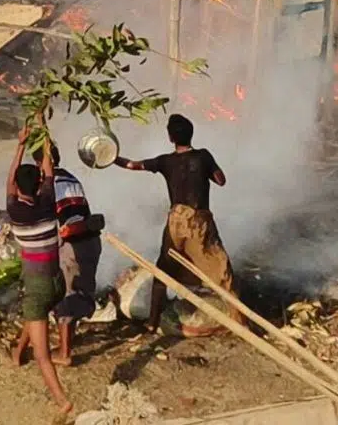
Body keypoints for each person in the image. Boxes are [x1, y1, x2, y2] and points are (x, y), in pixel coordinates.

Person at [114, 113, 243, 332]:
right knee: (221, 270)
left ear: (171, 138)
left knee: (163, 269)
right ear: (191, 135)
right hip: (199, 222)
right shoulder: (203, 156)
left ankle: (152, 322)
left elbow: (133, 165)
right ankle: (239, 322)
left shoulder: (165, 161)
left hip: (176, 222)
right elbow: (221, 180)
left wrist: (111, 158)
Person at [5, 125, 70, 416]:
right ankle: (17, 353)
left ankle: (62, 401)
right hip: (58, 281)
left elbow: (10, 180)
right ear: (40, 184)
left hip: (37, 283)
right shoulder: (47, 203)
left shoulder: (15, 210)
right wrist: (44, 133)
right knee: (36, 316)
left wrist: (20, 145)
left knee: (43, 355)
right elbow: (49, 171)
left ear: (19, 189)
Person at [32, 142, 102, 366]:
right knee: (80, 291)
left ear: (40, 164)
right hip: (91, 242)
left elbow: (55, 223)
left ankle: (64, 354)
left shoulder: (50, 185)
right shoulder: (71, 178)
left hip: (73, 246)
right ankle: (68, 339)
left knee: (66, 297)